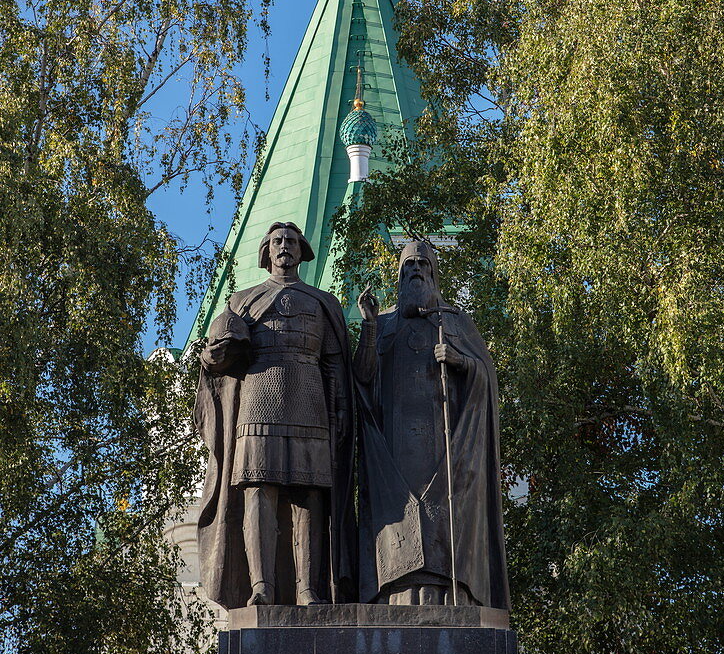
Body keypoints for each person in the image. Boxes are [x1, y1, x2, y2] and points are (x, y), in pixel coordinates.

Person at [194, 222, 356, 608]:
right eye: (277, 242)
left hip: (309, 399)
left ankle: (307, 588)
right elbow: (215, 360)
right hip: (257, 400)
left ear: (302, 251)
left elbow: (334, 363)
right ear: (267, 253)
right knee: (258, 492)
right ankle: (261, 585)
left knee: (310, 495)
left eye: (292, 242)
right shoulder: (242, 302)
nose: (285, 247)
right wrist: (216, 350)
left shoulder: (322, 303)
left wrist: (343, 408)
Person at [353, 240, 510, 609]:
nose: (415, 271)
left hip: (446, 447)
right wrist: (369, 327)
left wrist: (460, 361)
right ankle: (394, 594)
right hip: (394, 450)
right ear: (399, 276)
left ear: (434, 272)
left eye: (422, 265)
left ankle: (451, 592)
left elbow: (486, 377)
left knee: (443, 515)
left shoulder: (455, 321)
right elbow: (361, 377)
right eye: (408, 267)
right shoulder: (385, 323)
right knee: (398, 517)